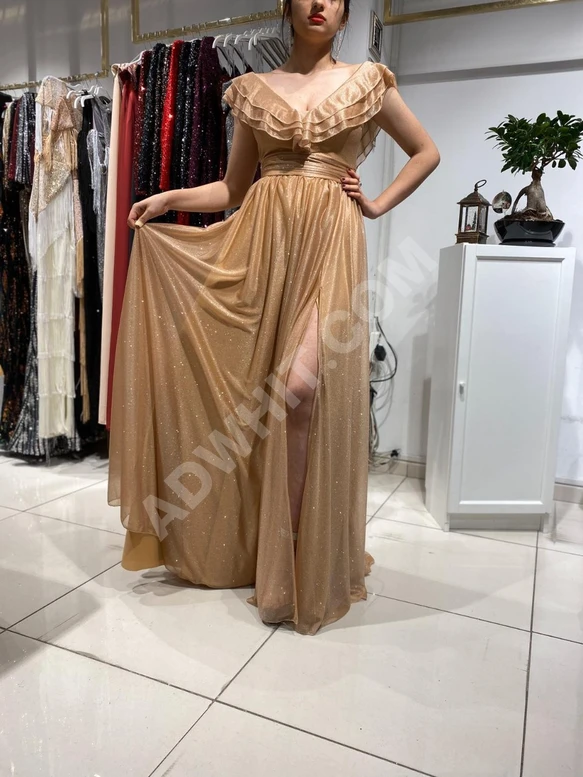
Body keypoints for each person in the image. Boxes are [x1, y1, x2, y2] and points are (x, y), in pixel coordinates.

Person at [111, 0, 440, 635]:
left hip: (329, 247)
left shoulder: (367, 82)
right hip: (260, 250)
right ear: (287, 6)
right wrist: (169, 198)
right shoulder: (254, 90)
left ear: (345, 13)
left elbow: (425, 152)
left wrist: (375, 204)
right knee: (257, 395)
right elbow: (233, 190)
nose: (320, 4)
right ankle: (262, 549)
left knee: (299, 389)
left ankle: (293, 559)